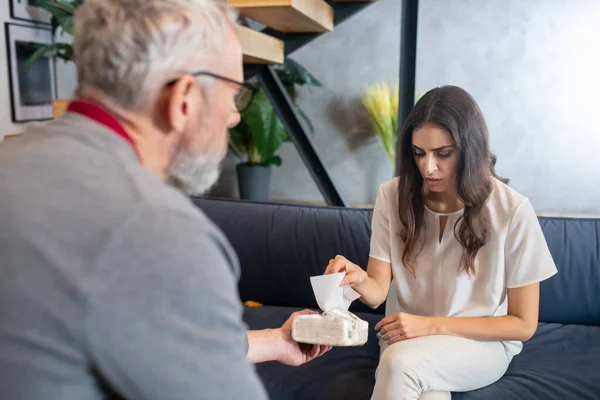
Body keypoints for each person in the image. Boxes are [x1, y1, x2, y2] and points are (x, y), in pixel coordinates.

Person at [0, 1, 329, 399]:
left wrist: (274, 341)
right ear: (184, 99)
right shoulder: (158, 230)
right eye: (234, 94)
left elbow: (115, 324)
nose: (234, 117)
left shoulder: (14, 158)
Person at [325, 85, 558, 400]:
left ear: (470, 149)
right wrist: (357, 278)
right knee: (427, 390)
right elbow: (377, 293)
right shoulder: (391, 196)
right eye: (419, 153)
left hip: (479, 344)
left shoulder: (512, 210)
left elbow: (523, 324)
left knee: (399, 365)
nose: (428, 167)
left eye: (443, 154)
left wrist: (430, 326)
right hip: (404, 336)